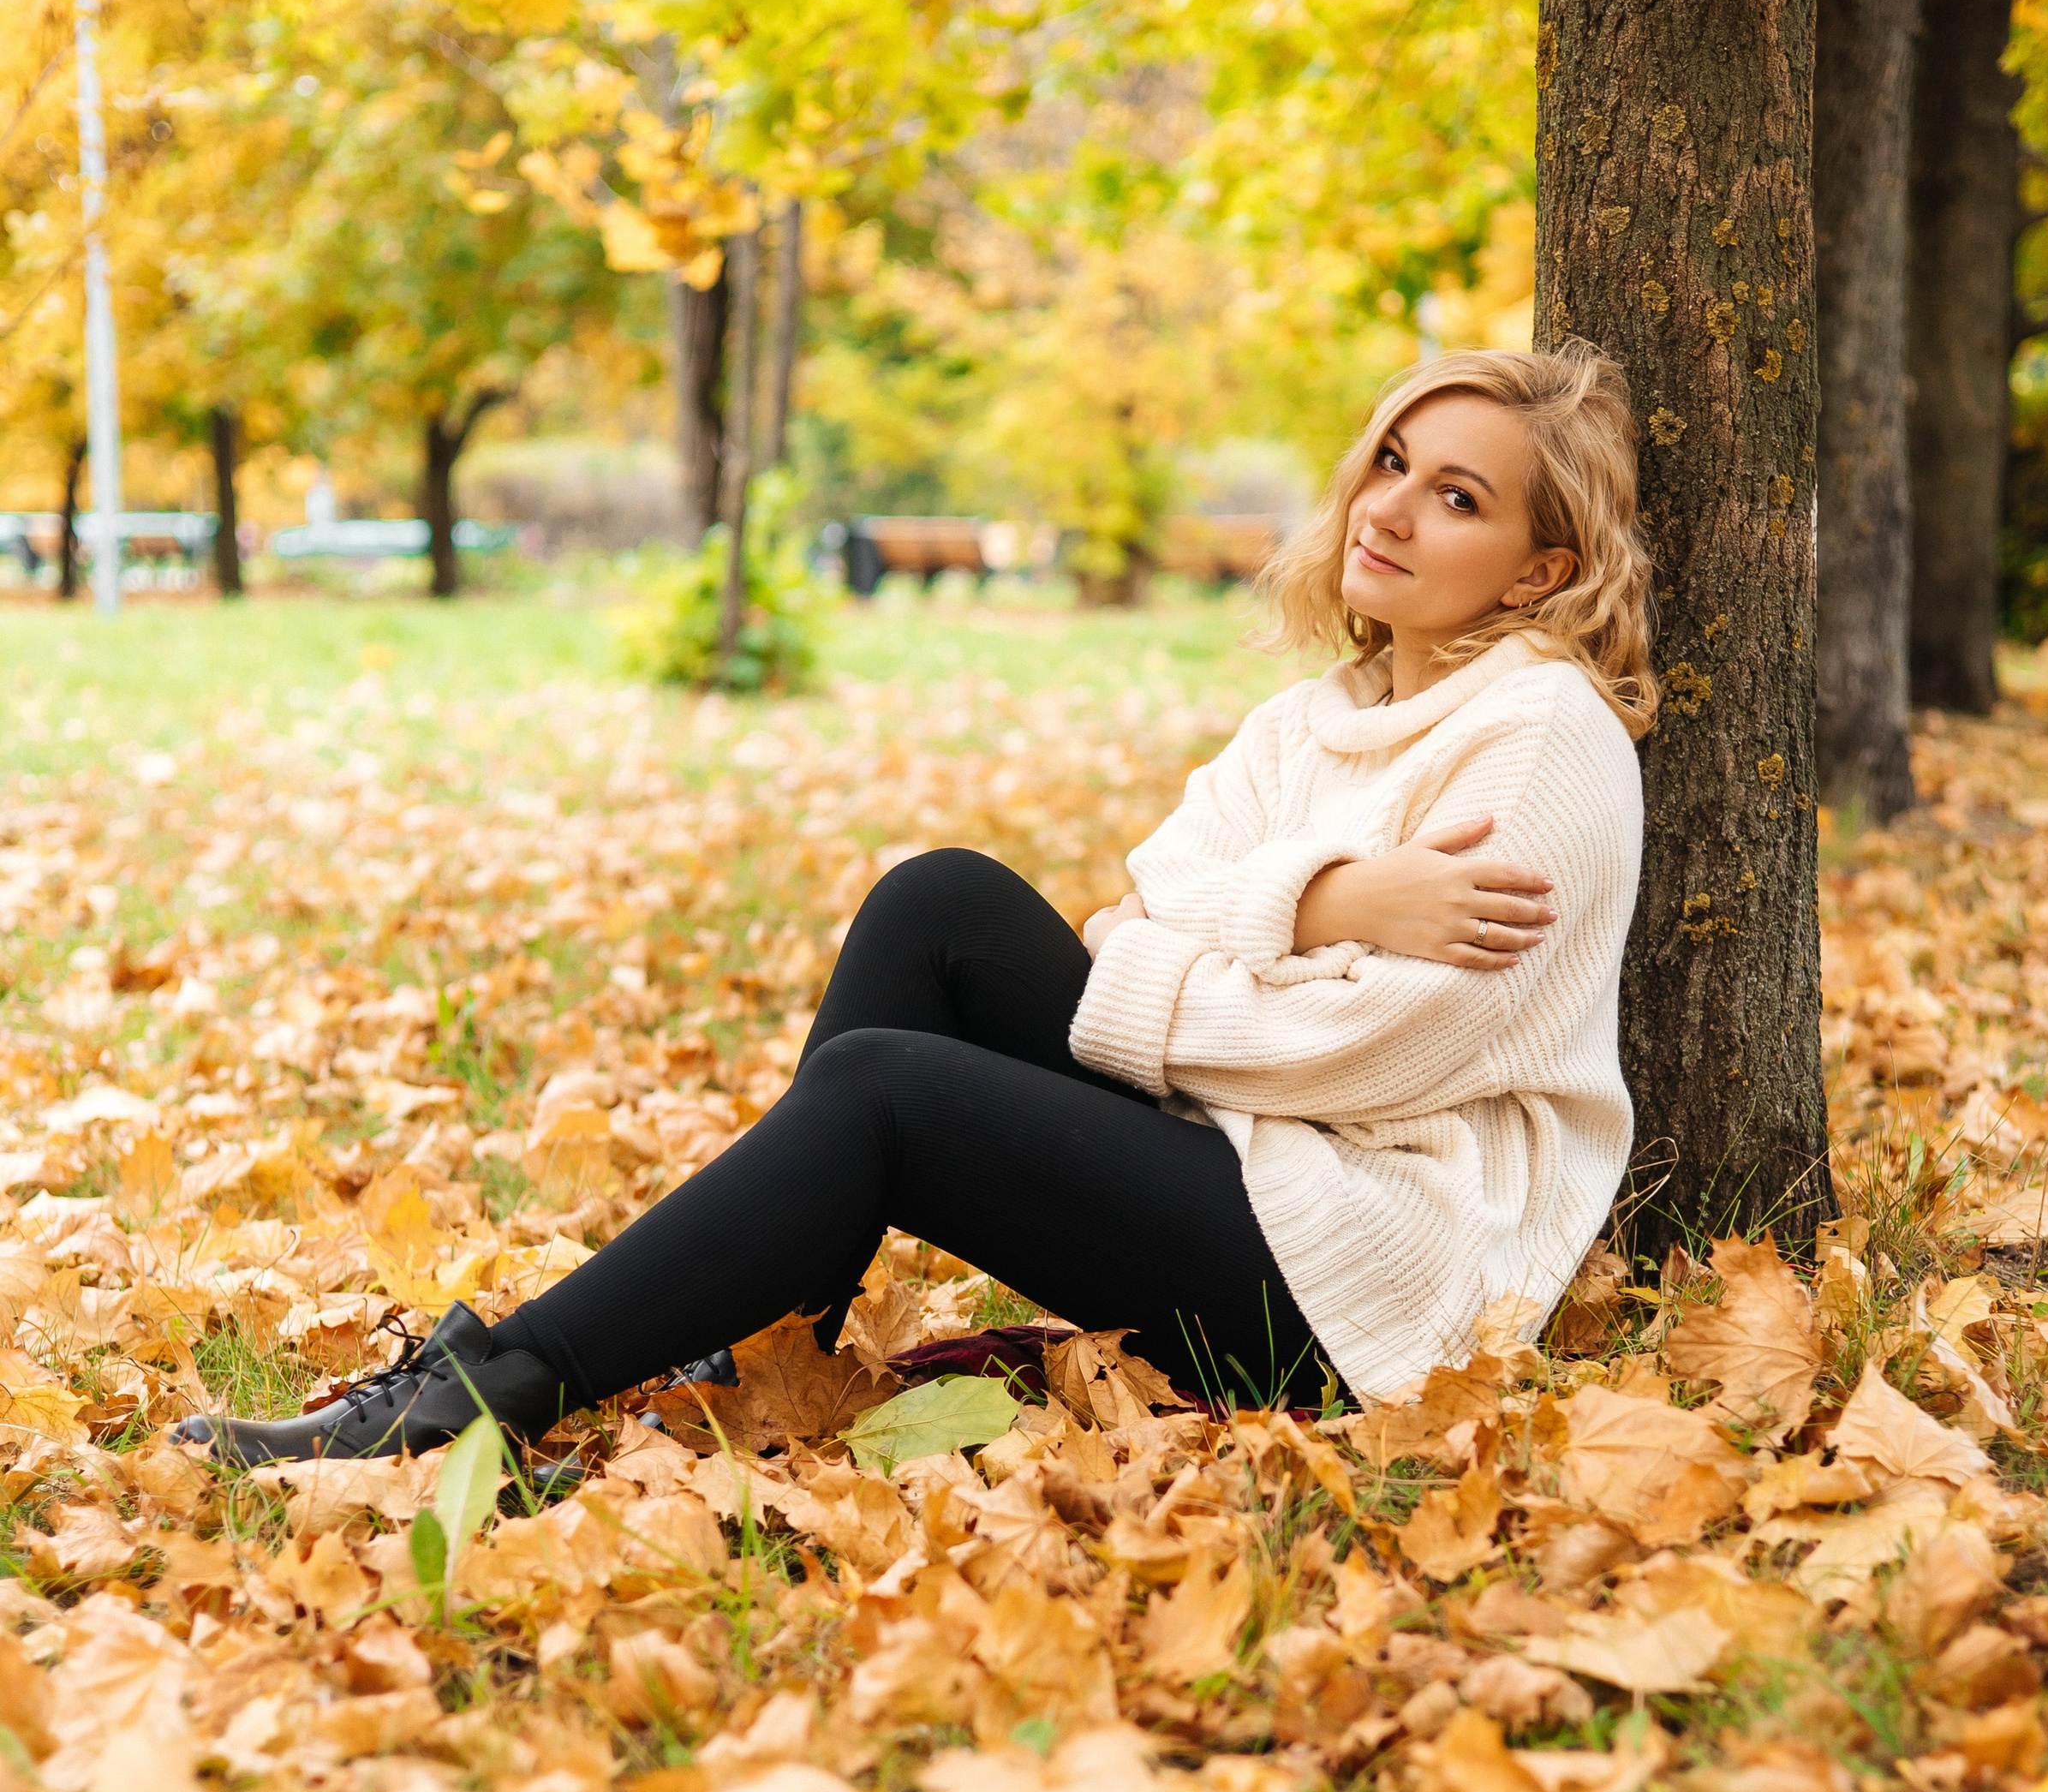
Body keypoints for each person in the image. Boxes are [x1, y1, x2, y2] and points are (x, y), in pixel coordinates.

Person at [180, 338, 1656, 1467]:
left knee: (888, 1088)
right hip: (1245, 1159)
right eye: (1392, 461)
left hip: (1361, 1285)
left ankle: (471, 1403)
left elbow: (1380, 1053)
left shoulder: (1542, 742)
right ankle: (752, 1358)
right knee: (937, 902)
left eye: (1455, 496)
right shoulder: (1311, 719)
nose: (1391, 507)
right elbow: (1130, 924)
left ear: (1542, 568)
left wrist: (1202, 966)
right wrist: (1330, 903)